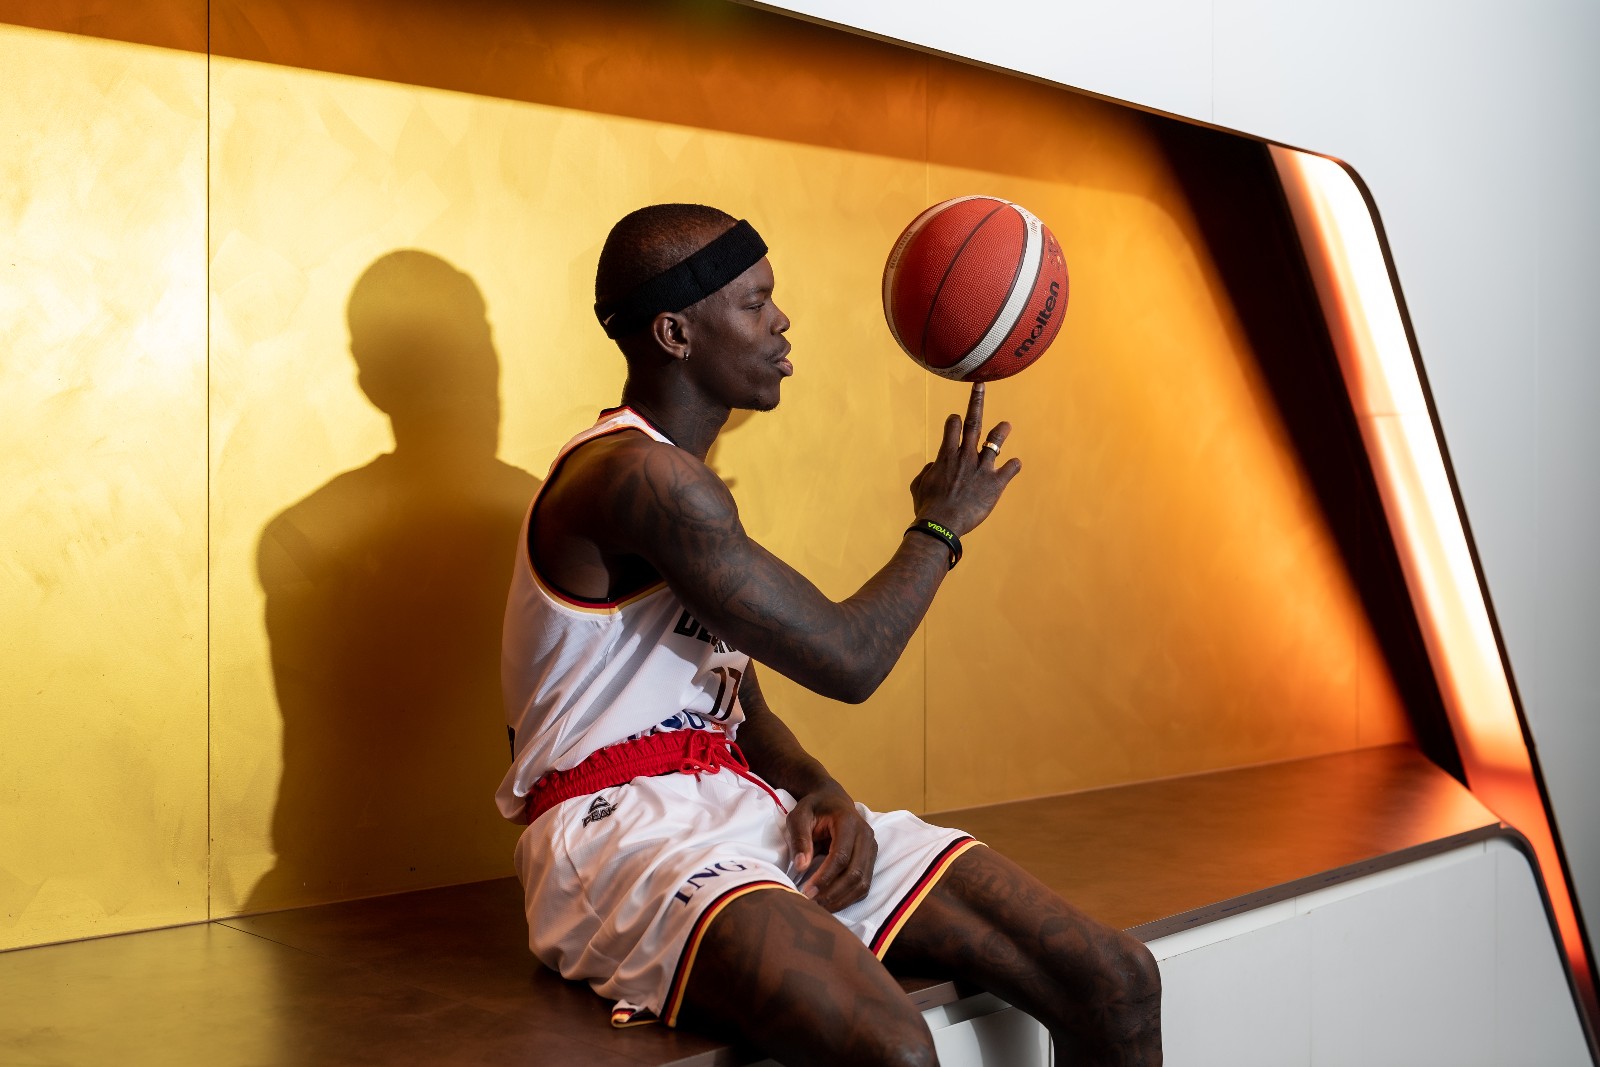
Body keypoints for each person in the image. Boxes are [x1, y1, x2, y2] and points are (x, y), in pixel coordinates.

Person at [496, 203, 1161, 1066]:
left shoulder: (683, 481)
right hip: (615, 830)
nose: (781, 322)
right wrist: (940, 528)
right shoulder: (636, 476)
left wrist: (822, 787)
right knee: (893, 1051)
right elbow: (850, 659)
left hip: (735, 797)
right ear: (675, 333)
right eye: (754, 302)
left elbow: (738, 696)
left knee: (1116, 979)